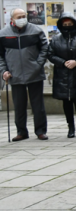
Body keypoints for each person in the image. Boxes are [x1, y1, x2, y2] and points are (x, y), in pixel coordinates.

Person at [0, 8, 49, 141]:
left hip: (34, 73)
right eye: (19, 16)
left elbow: (45, 48)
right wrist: (4, 71)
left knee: (38, 105)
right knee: (19, 105)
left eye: (23, 16)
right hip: (14, 75)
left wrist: (38, 64)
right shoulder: (3, 34)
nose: (22, 18)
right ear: (12, 19)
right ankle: (21, 132)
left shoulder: (36, 31)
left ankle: (40, 131)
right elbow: (1, 56)